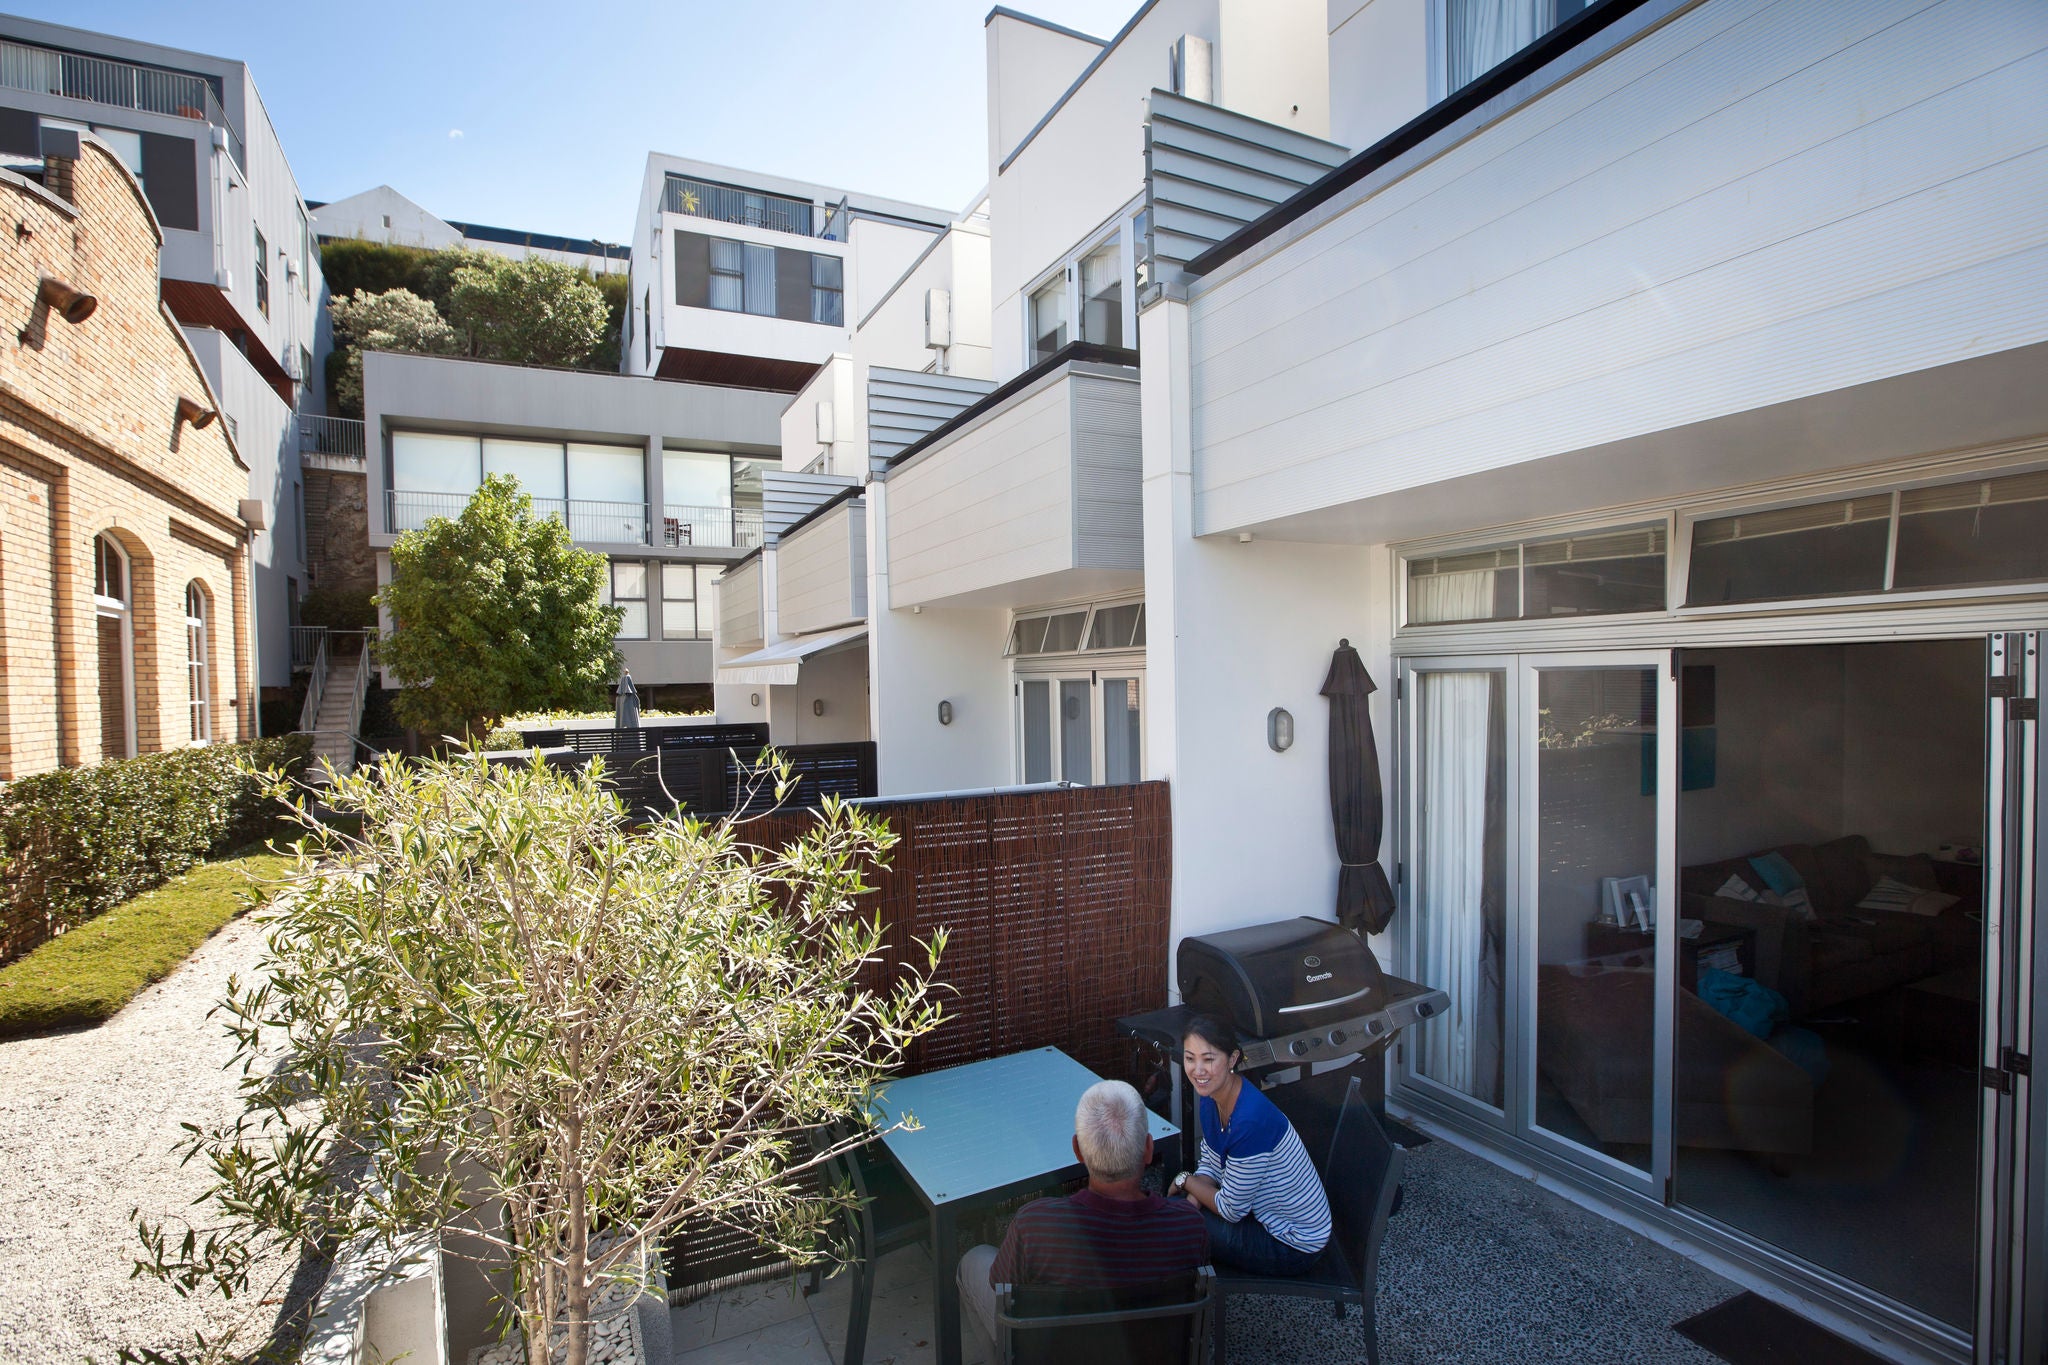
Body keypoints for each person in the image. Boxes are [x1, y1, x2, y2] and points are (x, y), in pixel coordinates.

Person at [957, 1079, 1208, 1361]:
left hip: (1059, 1351)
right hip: (1151, 1351)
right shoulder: (1189, 1224)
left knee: (973, 1261)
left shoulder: (1035, 1224)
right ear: (1149, 1148)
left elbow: (1000, 1285)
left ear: (1078, 1151)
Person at [1172, 1015, 1331, 1276]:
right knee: (1178, 1215)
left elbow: (1231, 1210)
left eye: (1208, 1059)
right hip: (1261, 1215)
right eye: (1190, 1058)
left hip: (1293, 1245)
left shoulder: (1250, 1119)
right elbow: (1211, 1162)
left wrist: (1185, 1181)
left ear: (1232, 1059)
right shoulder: (1212, 1097)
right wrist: (1191, 1200)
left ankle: (1179, 1305)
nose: (1197, 1070)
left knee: (1174, 1225)